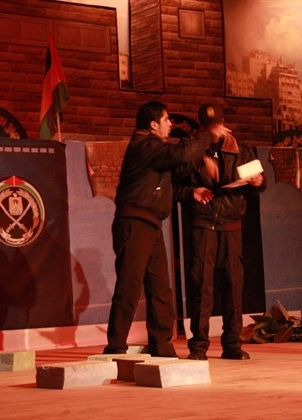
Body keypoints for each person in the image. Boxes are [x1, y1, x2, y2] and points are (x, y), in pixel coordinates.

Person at [103, 101, 226, 357]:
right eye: (167, 119)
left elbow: (176, 169)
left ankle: (161, 347)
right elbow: (178, 155)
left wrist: (199, 169)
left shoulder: (154, 151)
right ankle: (115, 347)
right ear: (153, 124)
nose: (170, 124)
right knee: (129, 287)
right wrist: (207, 135)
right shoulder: (145, 145)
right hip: (134, 224)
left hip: (150, 225)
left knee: (160, 289)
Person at [173, 104, 265, 361]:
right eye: (207, 128)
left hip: (231, 222)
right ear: (201, 127)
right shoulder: (189, 149)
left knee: (233, 284)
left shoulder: (241, 149)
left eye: (216, 126)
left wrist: (258, 181)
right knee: (201, 283)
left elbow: (259, 181)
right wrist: (197, 170)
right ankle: (199, 346)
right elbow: (174, 184)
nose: (213, 132)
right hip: (202, 222)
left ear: (224, 124)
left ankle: (232, 343)